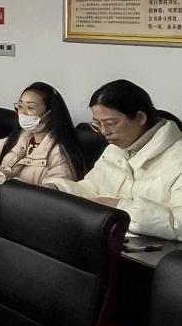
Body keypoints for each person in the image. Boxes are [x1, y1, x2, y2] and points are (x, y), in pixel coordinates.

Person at [46, 80, 182, 240]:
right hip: (109, 239)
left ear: (140, 117)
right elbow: (92, 188)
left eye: (110, 123)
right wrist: (57, 190)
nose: (104, 132)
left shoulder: (177, 156)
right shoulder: (115, 148)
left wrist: (119, 207)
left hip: (156, 250)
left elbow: (179, 223)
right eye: (97, 124)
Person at [0, 82, 84, 185]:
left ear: (50, 114)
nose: (22, 112)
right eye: (20, 106)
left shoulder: (60, 154)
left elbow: (50, 197)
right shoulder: (21, 137)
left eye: (30, 107)